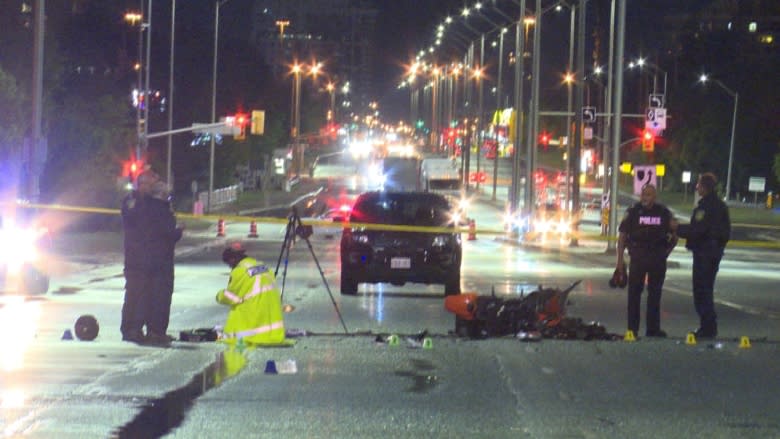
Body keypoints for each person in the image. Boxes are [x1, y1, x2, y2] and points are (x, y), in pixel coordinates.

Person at [121, 169, 183, 344]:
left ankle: (150, 330)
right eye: (152, 184)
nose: (154, 187)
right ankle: (133, 329)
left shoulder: (152, 204)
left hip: (151, 259)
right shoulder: (138, 203)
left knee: (152, 296)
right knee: (137, 295)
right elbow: (161, 231)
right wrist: (178, 231)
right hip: (140, 259)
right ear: (142, 184)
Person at [674, 173, 731, 339]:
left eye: (698, 184)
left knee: (701, 291)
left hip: (704, 254)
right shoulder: (721, 206)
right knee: (707, 289)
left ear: (705, 187)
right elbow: (726, 232)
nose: (696, 187)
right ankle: (708, 326)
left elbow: (697, 230)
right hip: (713, 254)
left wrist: (677, 228)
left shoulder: (705, 207)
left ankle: (708, 327)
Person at [616, 184, 677, 338]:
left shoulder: (663, 213)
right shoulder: (633, 212)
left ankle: (653, 329)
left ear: (654, 197)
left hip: (657, 258)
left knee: (655, 295)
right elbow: (622, 236)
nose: (645, 198)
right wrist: (619, 261)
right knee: (634, 295)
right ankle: (632, 329)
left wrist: (665, 254)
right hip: (638, 258)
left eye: (649, 195)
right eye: (643, 194)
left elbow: (675, 235)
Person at [216, 243, 287, 346]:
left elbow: (232, 297)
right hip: (274, 321)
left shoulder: (239, 271)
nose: (230, 266)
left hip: (254, 319)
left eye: (229, 263)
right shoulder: (261, 265)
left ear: (233, 259)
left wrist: (219, 296)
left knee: (238, 306)